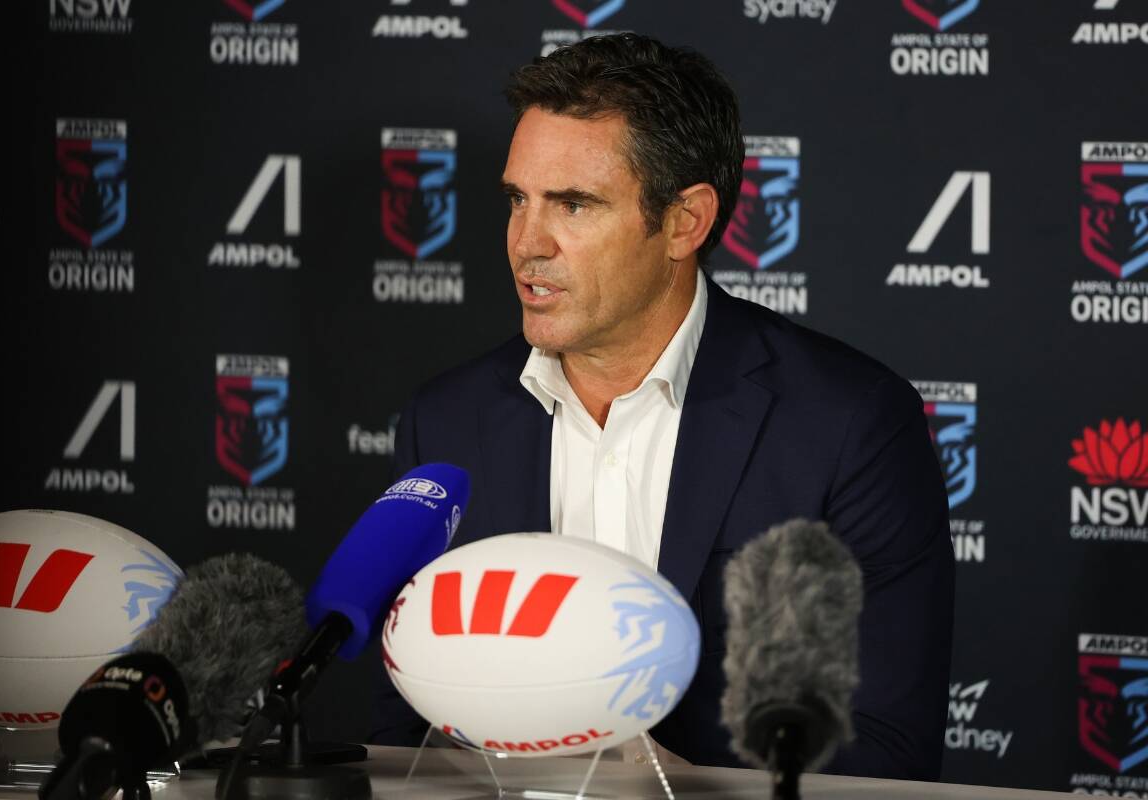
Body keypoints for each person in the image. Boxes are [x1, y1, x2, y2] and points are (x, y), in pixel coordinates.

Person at [370, 33, 954, 780]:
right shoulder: (446, 421)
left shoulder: (850, 424)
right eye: (517, 200)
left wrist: (670, 783)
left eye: (573, 204)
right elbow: (399, 724)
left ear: (684, 222)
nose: (527, 243)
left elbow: (889, 748)